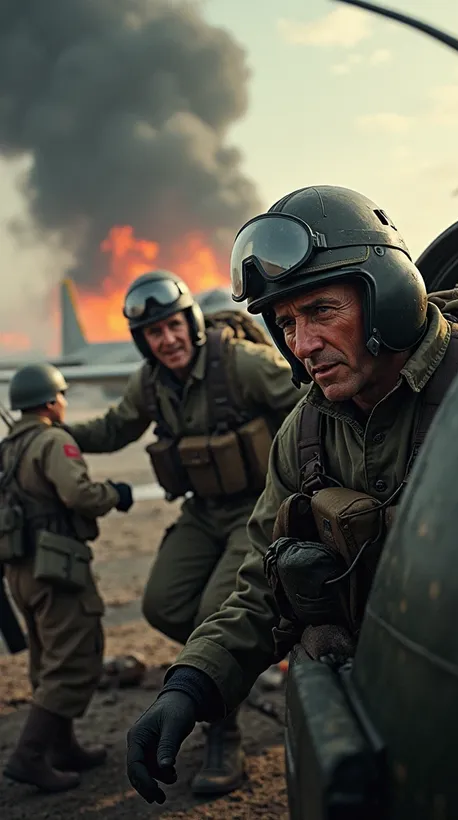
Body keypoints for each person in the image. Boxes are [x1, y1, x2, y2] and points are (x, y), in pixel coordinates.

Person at [125, 184, 458, 805]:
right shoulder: (305, 433)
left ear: (387, 296)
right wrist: (191, 684)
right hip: (376, 712)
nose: (301, 344)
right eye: (286, 323)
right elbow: (262, 583)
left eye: (321, 311)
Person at [66, 270, 304, 795]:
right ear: (143, 341)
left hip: (258, 506)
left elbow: (308, 405)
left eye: (173, 326)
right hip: (203, 511)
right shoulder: (150, 383)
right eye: (154, 333)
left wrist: (299, 483)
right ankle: (235, 664)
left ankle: (225, 735)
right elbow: (112, 428)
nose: (167, 339)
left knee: (213, 613)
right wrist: (51, 429)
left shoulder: (243, 364)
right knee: (162, 605)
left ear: (190, 322)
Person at [0, 363, 133, 792]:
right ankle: (30, 755)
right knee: (73, 656)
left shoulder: (8, 447)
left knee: (46, 656)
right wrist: (115, 494)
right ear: (52, 400)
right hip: (56, 569)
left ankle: (62, 746)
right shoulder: (53, 440)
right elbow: (78, 494)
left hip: (21, 571)